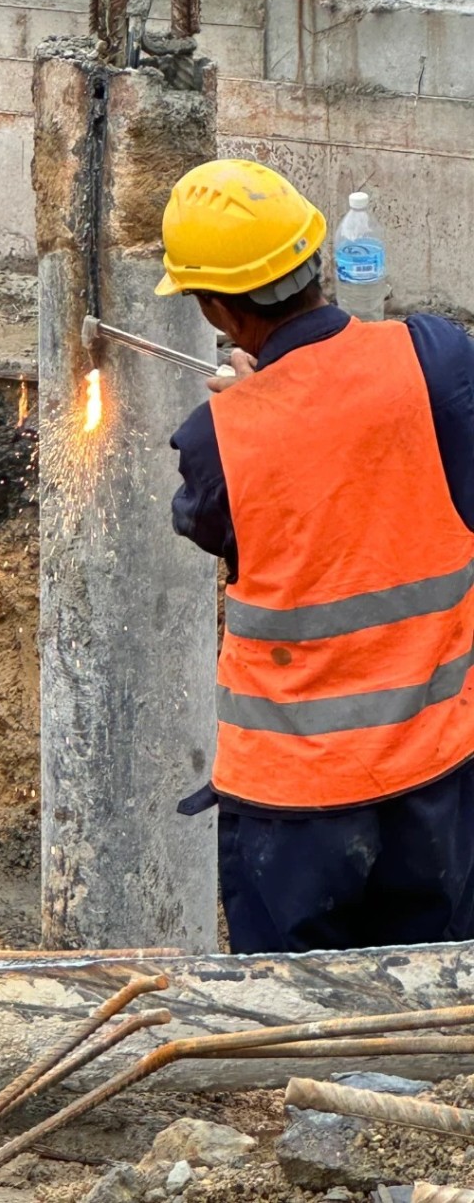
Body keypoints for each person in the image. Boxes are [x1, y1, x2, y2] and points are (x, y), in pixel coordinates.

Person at [159, 157, 474, 955]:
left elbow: (211, 523)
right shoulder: (436, 359)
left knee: (297, 1028)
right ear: (318, 262)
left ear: (217, 310)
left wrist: (257, 411)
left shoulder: (219, 440)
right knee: (423, 1003)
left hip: (295, 805)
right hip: (435, 774)